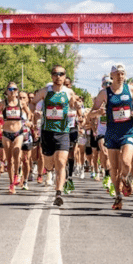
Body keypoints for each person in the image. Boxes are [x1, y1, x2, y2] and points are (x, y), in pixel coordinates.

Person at [30, 65, 80, 207]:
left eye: (61, 74)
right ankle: (49, 171)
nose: (58, 76)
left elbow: (74, 104)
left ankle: (58, 193)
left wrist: (76, 105)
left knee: (61, 162)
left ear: (65, 76)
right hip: (47, 131)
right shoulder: (45, 91)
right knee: (49, 163)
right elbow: (32, 103)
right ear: (52, 76)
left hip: (63, 132)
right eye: (55, 74)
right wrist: (34, 111)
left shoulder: (69, 92)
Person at [92, 64, 133, 210]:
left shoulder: (130, 89)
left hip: (128, 132)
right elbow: (91, 113)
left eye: (123, 73)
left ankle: (125, 178)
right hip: (112, 134)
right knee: (114, 167)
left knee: (126, 162)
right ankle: (118, 195)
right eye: (117, 73)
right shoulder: (104, 93)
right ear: (112, 76)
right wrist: (98, 112)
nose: (120, 76)